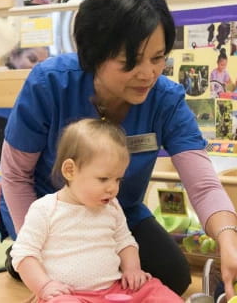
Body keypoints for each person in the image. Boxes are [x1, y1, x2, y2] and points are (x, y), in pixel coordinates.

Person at [0, 0, 237, 302]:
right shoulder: (50, 85)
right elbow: (15, 176)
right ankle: (20, 255)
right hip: (49, 214)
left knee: (173, 275)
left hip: (116, 211)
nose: (148, 74)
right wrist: (37, 249)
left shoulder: (165, 100)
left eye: (158, 58)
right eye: (131, 61)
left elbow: (203, 185)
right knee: (63, 276)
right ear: (94, 53)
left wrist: (230, 241)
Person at [10, 118, 182, 303]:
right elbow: (24, 254)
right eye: (103, 179)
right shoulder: (45, 209)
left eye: (118, 180)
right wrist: (44, 286)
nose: (113, 188)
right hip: (69, 295)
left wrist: (133, 269)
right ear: (70, 170)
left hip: (116, 289)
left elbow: (125, 241)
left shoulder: (112, 207)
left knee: (155, 289)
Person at [0, 45, 50, 168]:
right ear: (14, 56)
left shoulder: (42, 81)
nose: (37, 67)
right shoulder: (0, 73)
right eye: (32, 59)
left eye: (43, 63)